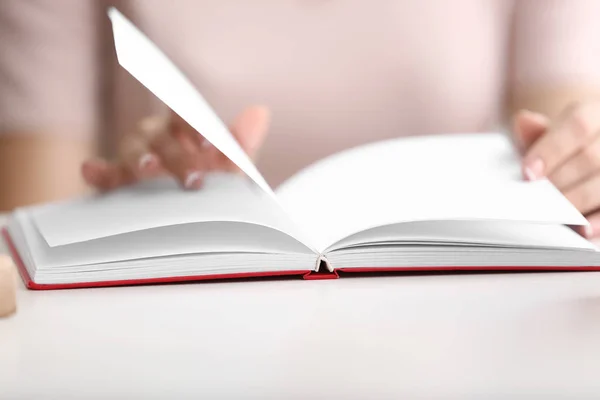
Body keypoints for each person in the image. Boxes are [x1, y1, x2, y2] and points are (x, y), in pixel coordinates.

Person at [1, 1, 600, 237]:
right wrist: (124, 217)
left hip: (468, 331)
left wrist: (579, 171)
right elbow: (24, 242)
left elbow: (561, 185)